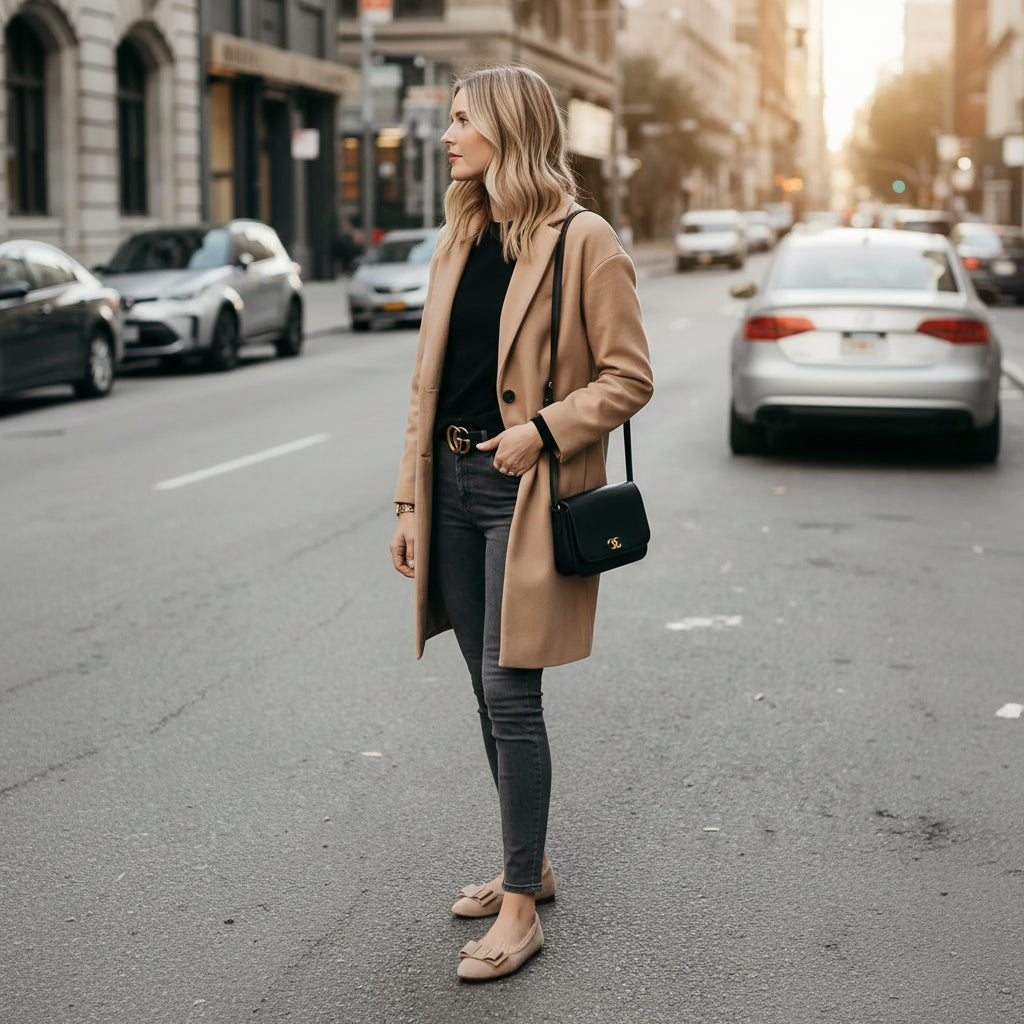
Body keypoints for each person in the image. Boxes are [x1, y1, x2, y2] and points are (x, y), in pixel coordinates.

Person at [388, 65, 653, 982]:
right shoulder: (459, 238)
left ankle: (518, 910)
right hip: (452, 485)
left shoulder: (584, 241)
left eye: (462, 120)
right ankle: (527, 864)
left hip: (523, 492)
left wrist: (541, 432)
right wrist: (410, 502)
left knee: (511, 695)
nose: (448, 134)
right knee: (481, 688)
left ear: (508, 129)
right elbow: (427, 388)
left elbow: (628, 378)